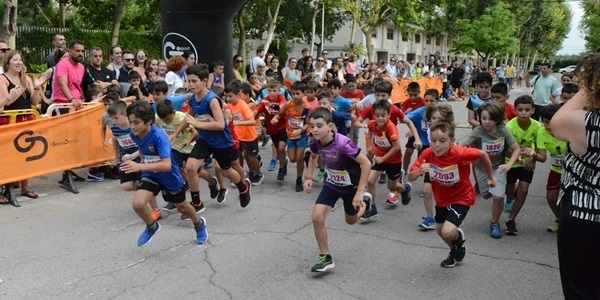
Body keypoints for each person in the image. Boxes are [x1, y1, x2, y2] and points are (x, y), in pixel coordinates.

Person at [118, 100, 208, 247]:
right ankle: (152, 226)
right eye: (131, 122)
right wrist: (135, 156)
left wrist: (139, 166)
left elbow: (166, 165)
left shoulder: (159, 137)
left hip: (169, 177)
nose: (132, 126)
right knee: (138, 204)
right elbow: (144, 149)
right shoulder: (135, 134)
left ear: (148, 121)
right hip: (151, 174)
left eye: (137, 122)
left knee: (182, 207)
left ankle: (199, 224)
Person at [409, 121, 496, 268]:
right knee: (440, 231)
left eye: (442, 141)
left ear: (452, 141)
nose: (437, 145)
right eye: (433, 141)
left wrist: (490, 177)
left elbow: (482, 154)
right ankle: (456, 249)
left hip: (462, 198)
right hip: (442, 200)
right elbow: (410, 177)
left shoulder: (459, 154)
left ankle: (455, 245)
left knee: (447, 232)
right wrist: (419, 172)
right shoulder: (427, 154)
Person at [550, 54, 600, 299]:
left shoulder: (587, 123)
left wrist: (589, 87)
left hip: (585, 216)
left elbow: (556, 122)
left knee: (580, 289)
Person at [174, 63, 252, 210]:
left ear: (204, 81)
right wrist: (175, 134)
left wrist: (197, 123)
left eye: (193, 81)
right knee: (190, 167)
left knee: (226, 171)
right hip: (204, 140)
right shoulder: (192, 99)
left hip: (221, 142)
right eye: (188, 80)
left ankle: (243, 187)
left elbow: (220, 124)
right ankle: (197, 202)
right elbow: (187, 118)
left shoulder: (212, 100)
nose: (190, 84)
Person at [304, 107, 371, 272]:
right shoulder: (314, 141)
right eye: (312, 126)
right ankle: (325, 257)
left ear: (330, 126)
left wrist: (360, 191)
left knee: (351, 221)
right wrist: (309, 177)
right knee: (317, 217)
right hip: (332, 184)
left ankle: (365, 204)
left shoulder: (343, 144)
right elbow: (313, 156)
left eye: (319, 125)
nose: (315, 130)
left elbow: (366, 163)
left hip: (352, 186)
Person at [461, 103, 520, 239]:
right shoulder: (477, 131)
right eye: (484, 118)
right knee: (486, 195)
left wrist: (509, 164)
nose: (487, 122)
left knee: (498, 197)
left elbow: (516, 148)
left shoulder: (502, 130)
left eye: (491, 119)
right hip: (481, 169)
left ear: (497, 119)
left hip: (499, 168)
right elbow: (462, 146)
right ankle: (513, 187)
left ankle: (494, 223)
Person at [107, 101, 162, 221]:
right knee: (126, 186)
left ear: (125, 115)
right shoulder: (115, 128)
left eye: (116, 118)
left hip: (139, 159)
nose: (114, 121)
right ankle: (145, 194)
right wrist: (116, 156)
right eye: (112, 118)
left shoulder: (135, 128)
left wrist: (133, 155)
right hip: (125, 159)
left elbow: (143, 145)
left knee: (143, 184)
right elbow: (115, 140)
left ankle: (155, 209)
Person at [0, 50, 43, 202]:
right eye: (15, 60)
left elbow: (34, 102)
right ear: (8, 63)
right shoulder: (3, 79)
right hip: (10, 122)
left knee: (26, 155)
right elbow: (4, 104)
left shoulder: (26, 79)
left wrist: (37, 87)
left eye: (20, 60)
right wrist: (16, 93)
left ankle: (25, 186)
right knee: (7, 156)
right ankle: (5, 187)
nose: (19, 63)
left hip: (27, 121)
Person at [503, 95, 543, 235]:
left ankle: (511, 220)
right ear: (515, 111)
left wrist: (533, 159)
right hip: (511, 162)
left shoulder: (537, 126)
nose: (524, 113)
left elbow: (539, 149)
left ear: (533, 110)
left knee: (524, 189)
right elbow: (506, 149)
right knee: (509, 188)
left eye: (527, 110)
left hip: (527, 162)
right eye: (520, 110)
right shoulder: (510, 126)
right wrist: (516, 156)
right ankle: (510, 196)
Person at [365, 100, 412, 209]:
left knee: (392, 186)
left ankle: (405, 189)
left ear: (389, 115)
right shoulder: (371, 124)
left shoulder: (390, 128)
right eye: (377, 115)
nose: (380, 118)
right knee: (370, 181)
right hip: (379, 156)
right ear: (373, 116)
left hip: (393, 160)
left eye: (383, 115)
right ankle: (372, 209)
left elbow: (397, 147)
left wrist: (383, 158)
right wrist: (370, 146)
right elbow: (369, 132)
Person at [271, 81, 311, 191]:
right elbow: (279, 113)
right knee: (293, 159)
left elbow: (308, 123)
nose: (295, 96)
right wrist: (275, 118)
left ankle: (299, 180)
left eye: (298, 93)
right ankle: (294, 161)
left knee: (299, 158)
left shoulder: (307, 107)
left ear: (304, 94)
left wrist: (300, 129)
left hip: (301, 135)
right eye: (293, 93)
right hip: (290, 134)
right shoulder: (289, 104)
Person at [224, 80, 264, 185]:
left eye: (230, 96)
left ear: (237, 95)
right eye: (226, 96)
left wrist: (235, 123)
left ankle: (258, 173)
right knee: (238, 157)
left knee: (251, 157)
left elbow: (251, 122)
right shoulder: (228, 106)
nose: (227, 99)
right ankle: (240, 176)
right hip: (237, 136)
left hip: (249, 136)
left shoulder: (242, 105)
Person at [534, 105, 566, 233]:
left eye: (552, 122)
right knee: (551, 197)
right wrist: (533, 155)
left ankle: (570, 222)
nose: (548, 126)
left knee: (569, 199)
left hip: (572, 171)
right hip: (556, 170)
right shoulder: (541, 133)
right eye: (546, 122)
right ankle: (559, 219)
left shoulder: (568, 131)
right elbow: (542, 157)